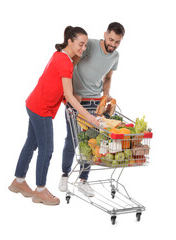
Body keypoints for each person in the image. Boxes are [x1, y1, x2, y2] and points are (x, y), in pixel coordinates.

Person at [8, 26, 99, 206]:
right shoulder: (65, 62)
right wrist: (88, 116)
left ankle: (18, 181)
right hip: (42, 110)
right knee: (47, 149)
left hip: (34, 104)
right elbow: (69, 94)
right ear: (70, 41)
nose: (83, 48)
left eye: (86, 45)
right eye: (81, 44)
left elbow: (59, 88)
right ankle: (40, 191)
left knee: (31, 143)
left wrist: (68, 99)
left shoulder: (60, 55)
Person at [59, 22, 125, 197]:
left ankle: (83, 180)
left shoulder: (115, 56)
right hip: (77, 100)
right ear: (105, 34)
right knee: (71, 139)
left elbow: (108, 77)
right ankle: (65, 175)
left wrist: (106, 94)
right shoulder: (92, 45)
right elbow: (72, 64)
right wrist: (71, 93)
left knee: (91, 142)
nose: (113, 44)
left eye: (117, 42)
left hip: (95, 102)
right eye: (111, 39)